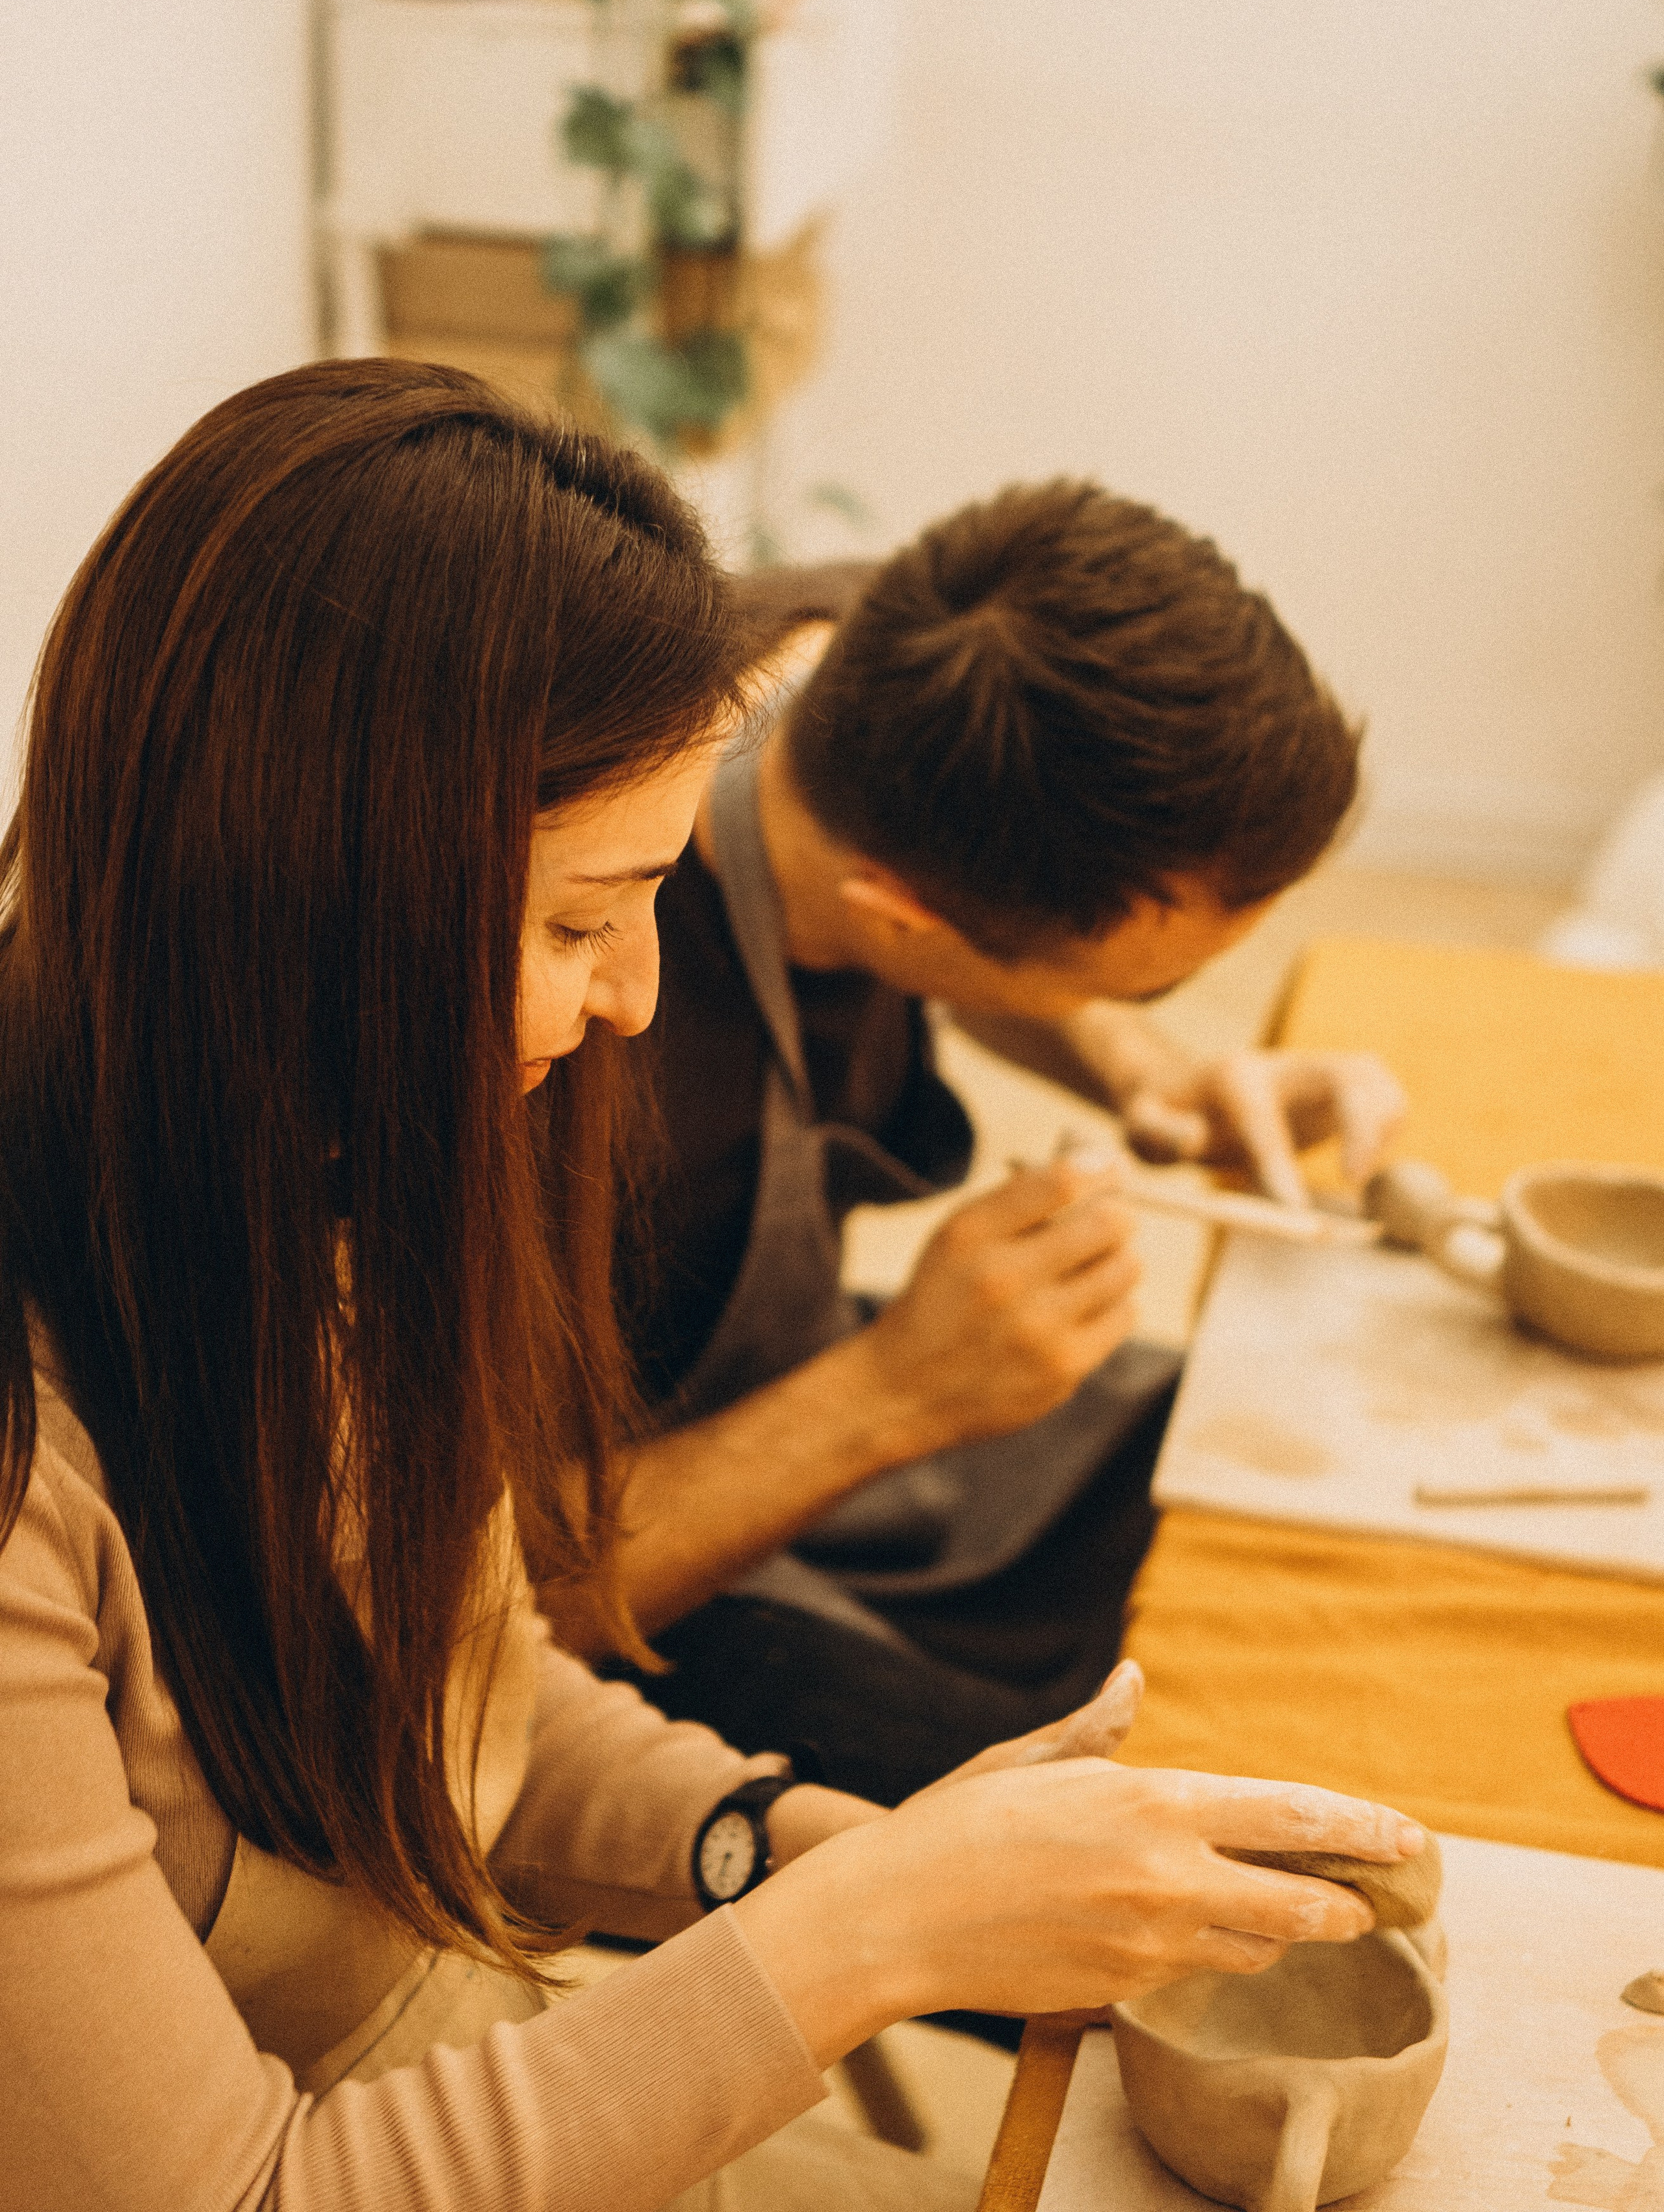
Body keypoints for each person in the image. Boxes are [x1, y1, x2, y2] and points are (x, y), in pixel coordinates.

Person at [0, 361, 1425, 2212]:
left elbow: (475, 1697)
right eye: (581, 920)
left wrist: (798, 1846)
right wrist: (880, 1929)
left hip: (460, 2039)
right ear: (315, 896)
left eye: (658, 901)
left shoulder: (308, 1157)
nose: (635, 996)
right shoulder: (50, 1474)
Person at [571, 498, 1408, 1802]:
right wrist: (894, 1393)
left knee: (1279, 1456)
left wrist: (1154, 1077)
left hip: (791, 1373)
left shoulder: (905, 645)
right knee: (1090, 1806)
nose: (1136, 1010)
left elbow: (999, 949)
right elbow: (458, 1617)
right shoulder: (569, 1017)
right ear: (896, 915)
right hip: (599, 1538)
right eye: (1134, 986)